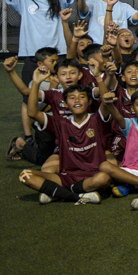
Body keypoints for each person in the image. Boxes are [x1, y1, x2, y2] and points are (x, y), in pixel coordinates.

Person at [21, 73, 112, 205]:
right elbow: (32, 113)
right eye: (72, 98)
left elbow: (106, 101)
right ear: (65, 103)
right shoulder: (60, 123)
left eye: (82, 97)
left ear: (90, 101)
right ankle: (77, 196)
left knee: (104, 178)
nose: (77, 100)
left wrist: (98, 77)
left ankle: (57, 192)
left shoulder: (97, 119)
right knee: (25, 176)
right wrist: (35, 83)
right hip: (66, 176)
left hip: (92, 175)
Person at [0, 0, 78, 83]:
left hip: (58, 54)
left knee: (59, 95)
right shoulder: (23, 0)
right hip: (33, 55)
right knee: (31, 96)